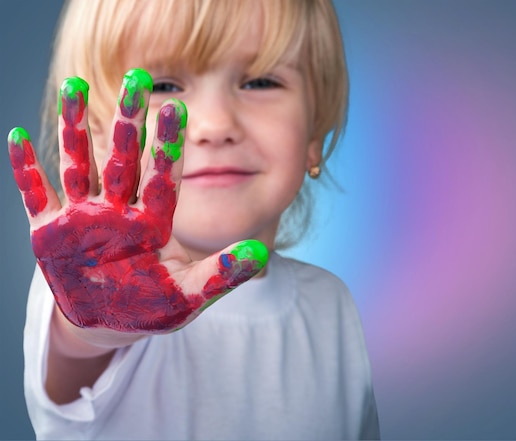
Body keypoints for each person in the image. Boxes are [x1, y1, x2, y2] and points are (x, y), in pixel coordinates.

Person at [8, 0, 379, 439]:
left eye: (260, 81)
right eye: (164, 85)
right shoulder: (92, 287)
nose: (216, 123)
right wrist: (95, 328)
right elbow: (78, 351)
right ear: (102, 134)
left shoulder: (334, 305)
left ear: (315, 133)